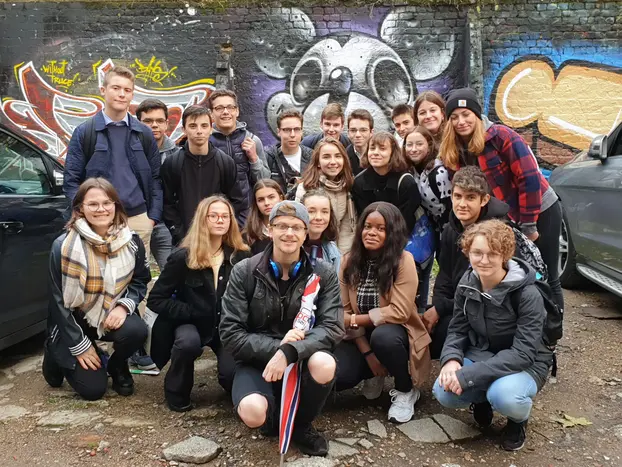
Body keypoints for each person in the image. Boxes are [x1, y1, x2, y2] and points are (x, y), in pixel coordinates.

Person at [220, 201, 344, 457]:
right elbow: (231, 333)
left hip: (303, 356)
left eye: (296, 228)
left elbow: (332, 327)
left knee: (325, 363)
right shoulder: (245, 271)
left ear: (305, 233)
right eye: (282, 226)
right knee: (253, 411)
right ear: (269, 230)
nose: (289, 233)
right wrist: (277, 349)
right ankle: (274, 418)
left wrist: (290, 352)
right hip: (256, 360)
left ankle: (301, 426)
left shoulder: (323, 273)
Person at [433, 219, 553, 451]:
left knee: (505, 396)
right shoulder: (467, 284)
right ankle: (481, 399)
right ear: (468, 253)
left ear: (505, 255)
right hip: (482, 351)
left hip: (526, 362)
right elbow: (457, 329)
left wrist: (470, 375)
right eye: (477, 253)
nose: (484, 260)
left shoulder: (528, 294)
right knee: (443, 390)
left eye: (492, 254)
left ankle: (517, 419)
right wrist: (451, 360)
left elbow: (523, 353)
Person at [439, 88, 564, 311]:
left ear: (477, 115)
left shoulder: (501, 137)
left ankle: (552, 327)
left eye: (466, 114)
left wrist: (529, 225)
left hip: (539, 209)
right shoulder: (453, 148)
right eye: (454, 117)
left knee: (544, 273)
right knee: (516, 273)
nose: (461, 121)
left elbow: (529, 179)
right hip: (506, 217)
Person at [42, 178, 150, 401]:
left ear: (115, 206)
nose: (101, 209)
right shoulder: (62, 246)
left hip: (109, 314)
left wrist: (123, 307)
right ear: (80, 208)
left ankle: (117, 366)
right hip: (73, 319)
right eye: (93, 204)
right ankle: (55, 347)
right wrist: (79, 346)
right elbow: (57, 302)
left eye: (107, 203)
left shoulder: (131, 242)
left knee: (136, 330)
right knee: (93, 390)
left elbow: (140, 280)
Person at [147, 196, 249, 412]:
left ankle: (232, 382)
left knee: (231, 376)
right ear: (203, 219)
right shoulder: (182, 257)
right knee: (187, 343)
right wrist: (191, 311)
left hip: (226, 326)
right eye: (214, 216)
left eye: (225, 216)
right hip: (190, 322)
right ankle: (177, 390)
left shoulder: (240, 256)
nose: (220, 220)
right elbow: (156, 299)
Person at [335, 202, 431, 423]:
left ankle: (405, 389)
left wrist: (356, 319)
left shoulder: (404, 260)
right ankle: (373, 372)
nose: (371, 232)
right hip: (359, 335)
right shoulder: (348, 261)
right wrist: (368, 355)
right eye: (368, 226)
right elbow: (343, 310)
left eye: (381, 228)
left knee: (383, 337)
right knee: (339, 375)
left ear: (393, 232)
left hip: (397, 332)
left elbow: (399, 311)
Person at [63, 66, 162, 258]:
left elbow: (156, 178)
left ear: (132, 94)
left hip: (138, 220)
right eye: (116, 88)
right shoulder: (85, 132)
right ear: (103, 90)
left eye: (127, 90)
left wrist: (152, 218)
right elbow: (71, 180)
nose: (121, 94)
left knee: (137, 274)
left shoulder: (144, 133)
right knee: (98, 275)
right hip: (98, 220)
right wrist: (83, 215)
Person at [425, 166, 511, 358]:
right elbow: (445, 274)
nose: (462, 204)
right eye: (458, 196)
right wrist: (438, 305)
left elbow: (487, 289)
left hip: (492, 309)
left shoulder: (498, 232)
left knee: (444, 332)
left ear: (484, 200)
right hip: (459, 301)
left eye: (470, 197)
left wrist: (441, 308)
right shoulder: (451, 229)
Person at [161, 105, 247, 244]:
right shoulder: (173, 163)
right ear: (184, 129)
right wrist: (179, 233)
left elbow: (236, 200)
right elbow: (167, 203)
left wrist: (223, 230)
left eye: (204, 126)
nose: (199, 131)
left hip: (218, 240)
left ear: (211, 129)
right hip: (184, 240)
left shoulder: (225, 162)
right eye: (193, 126)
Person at [403, 125, 452, 312]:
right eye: (409, 144)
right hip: (433, 228)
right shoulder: (414, 170)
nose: (413, 149)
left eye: (419, 144)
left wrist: (448, 235)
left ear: (429, 145)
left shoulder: (438, 173)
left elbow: (451, 207)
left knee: (449, 269)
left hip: (448, 229)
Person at [208, 90, 270, 224]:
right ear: (211, 113)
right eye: (219, 108)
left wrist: (254, 159)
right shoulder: (205, 142)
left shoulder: (252, 140)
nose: (225, 112)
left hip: (245, 216)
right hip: (213, 214)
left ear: (237, 111)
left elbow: (265, 182)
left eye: (230, 107)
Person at [135, 98, 177, 271]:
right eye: (148, 121)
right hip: (135, 219)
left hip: (165, 224)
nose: (154, 125)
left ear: (166, 124)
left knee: (171, 272)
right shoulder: (129, 152)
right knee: (132, 274)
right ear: (138, 123)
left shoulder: (176, 155)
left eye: (160, 121)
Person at [294, 138, 356, 252]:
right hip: (309, 247)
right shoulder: (306, 187)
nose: (333, 162)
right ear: (318, 162)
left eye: (338, 156)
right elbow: (298, 223)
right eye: (326, 157)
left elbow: (347, 228)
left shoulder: (347, 186)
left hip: (335, 250)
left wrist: (341, 256)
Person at [352, 131, 421, 232]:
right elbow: (363, 218)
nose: (375, 153)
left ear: (392, 153)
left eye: (382, 148)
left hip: (401, 234)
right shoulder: (359, 182)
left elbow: (406, 220)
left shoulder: (406, 182)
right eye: (372, 148)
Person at [266, 109, 313, 196]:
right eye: (287, 130)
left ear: (302, 131)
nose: (292, 135)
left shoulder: (312, 157)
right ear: (279, 131)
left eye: (297, 129)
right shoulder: (268, 157)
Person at [300, 189, 342, 272]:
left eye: (325, 212)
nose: (318, 217)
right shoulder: (290, 245)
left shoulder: (333, 251)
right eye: (311, 211)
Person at [243, 179, 285, 255]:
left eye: (271, 197)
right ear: (256, 203)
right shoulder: (248, 236)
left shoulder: (291, 230)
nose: (266, 203)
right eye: (260, 200)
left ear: (281, 198)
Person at [346, 109, 374, 175]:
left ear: (371, 132)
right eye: (353, 130)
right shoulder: (344, 156)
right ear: (348, 133)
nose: (358, 135)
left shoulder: (379, 154)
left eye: (363, 130)